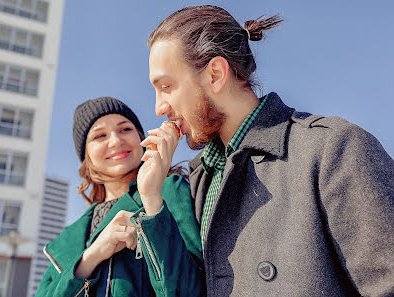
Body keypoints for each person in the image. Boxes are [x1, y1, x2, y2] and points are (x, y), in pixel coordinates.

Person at [144, 5, 394, 297]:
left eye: (166, 86)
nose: (159, 107)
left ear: (214, 74)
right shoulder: (201, 176)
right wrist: (152, 200)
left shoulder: (332, 148)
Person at [35, 96, 204, 297]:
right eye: (100, 136)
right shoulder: (67, 238)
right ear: (86, 155)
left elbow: (193, 289)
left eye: (125, 129)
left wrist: (152, 204)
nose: (116, 141)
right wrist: (92, 256)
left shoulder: (168, 190)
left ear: (142, 138)